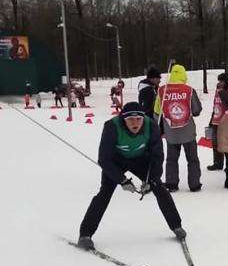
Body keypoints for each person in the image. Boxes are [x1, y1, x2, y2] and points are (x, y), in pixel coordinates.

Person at [77, 102, 186, 251]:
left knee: (158, 187)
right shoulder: (112, 126)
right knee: (104, 193)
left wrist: (151, 179)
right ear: (123, 119)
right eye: (130, 120)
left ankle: (176, 226)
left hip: (140, 159)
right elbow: (104, 159)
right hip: (116, 161)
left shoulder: (151, 125)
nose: (135, 123)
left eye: (138, 119)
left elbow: (157, 156)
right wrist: (121, 180)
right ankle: (85, 234)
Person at [153, 64, 203, 192]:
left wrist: (160, 129)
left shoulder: (162, 90)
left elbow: (157, 112)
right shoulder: (189, 90)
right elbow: (196, 110)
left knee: (171, 159)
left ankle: (171, 183)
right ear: (183, 75)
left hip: (171, 132)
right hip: (188, 131)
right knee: (192, 159)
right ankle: (194, 184)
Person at [207, 73, 228, 171]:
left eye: (221, 81)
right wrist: (211, 120)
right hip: (216, 121)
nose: (219, 83)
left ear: (226, 82)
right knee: (215, 143)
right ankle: (217, 163)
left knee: (227, 144)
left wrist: (221, 92)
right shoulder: (218, 91)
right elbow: (216, 106)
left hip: (227, 122)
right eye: (219, 81)